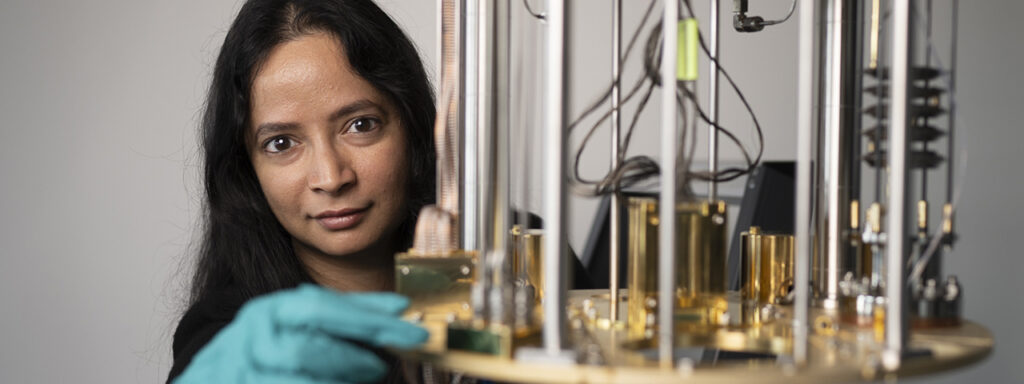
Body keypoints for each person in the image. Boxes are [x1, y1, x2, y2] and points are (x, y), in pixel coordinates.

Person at [168, 0, 437, 383]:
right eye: (281, 144)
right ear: (248, 168)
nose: (330, 177)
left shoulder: (521, 258)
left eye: (360, 125)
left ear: (413, 126)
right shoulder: (223, 339)